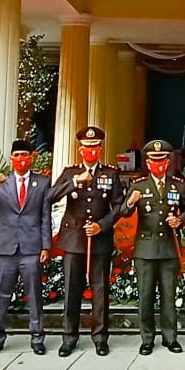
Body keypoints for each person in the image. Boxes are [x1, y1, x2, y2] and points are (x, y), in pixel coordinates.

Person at [47, 125, 124, 357]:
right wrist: (75, 183)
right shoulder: (70, 172)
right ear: (80, 149)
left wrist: (103, 224)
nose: (91, 151)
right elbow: (50, 197)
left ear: (100, 148)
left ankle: (100, 337)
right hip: (74, 240)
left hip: (99, 240)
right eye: (87, 147)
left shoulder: (110, 174)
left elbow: (119, 205)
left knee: (100, 290)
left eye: (95, 147)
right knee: (72, 289)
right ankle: (69, 337)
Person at [0, 138, 52, 358]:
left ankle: (37, 337)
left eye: (24, 156)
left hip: (31, 247)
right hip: (6, 247)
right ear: (11, 159)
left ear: (31, 158)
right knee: (1, 294)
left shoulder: (43, 182)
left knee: (34, 294)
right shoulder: (3, 182)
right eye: (17, 156)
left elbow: (45, 217)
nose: (21, 160)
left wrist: (46, 246)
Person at [120, 140, 185, 355]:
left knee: (169, 294)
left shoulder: (177, 185)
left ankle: (170, 337)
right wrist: (131, 201)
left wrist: (180, 220)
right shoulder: (139, 185)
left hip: (169, 247)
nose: (158, 164)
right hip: (146, 248)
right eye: (154, 161)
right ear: (148, 162)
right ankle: (147, 338)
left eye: (162, 160)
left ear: (168, 161)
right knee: (146, 295)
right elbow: (123, 213)